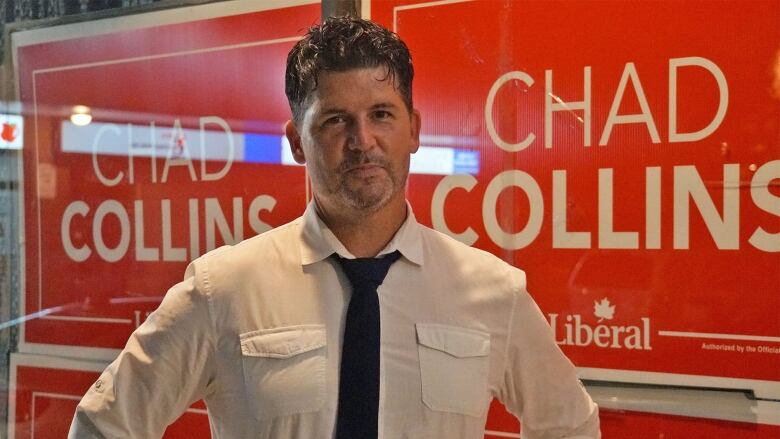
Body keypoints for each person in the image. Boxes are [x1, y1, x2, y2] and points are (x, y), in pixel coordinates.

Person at [69, 16, 600, 439]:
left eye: (382, 115)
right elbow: (105, 426)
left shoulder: (491, 292)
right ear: (296, 141)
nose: (362, 140)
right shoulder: (223, 287)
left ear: (414, 129)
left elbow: (571, 426)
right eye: (335, 119)